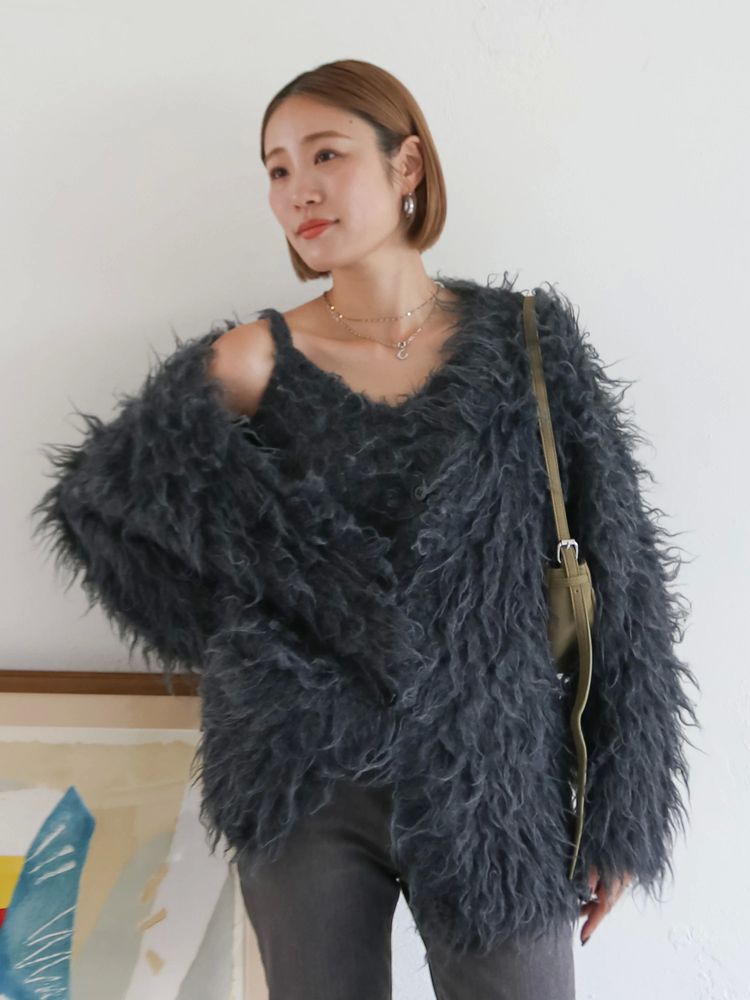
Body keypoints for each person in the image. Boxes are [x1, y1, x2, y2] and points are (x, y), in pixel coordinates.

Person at [31, 59, 700, 1000]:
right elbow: (104, 504)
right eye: (275, 169)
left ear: (407, 164)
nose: (297, 190)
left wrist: (623, 806)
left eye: (325, 155)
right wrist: (272, 631)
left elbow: (622, 578)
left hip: (494, 766)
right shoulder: (256, 357)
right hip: (306, 776)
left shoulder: (528, 343)